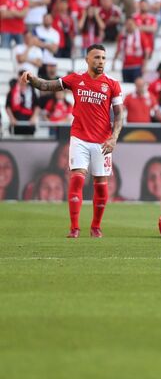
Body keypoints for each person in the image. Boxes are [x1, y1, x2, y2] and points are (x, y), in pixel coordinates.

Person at [21, 44, 125, 237]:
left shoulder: (112, 84)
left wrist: (114, 137)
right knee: (76, 180)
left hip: (103, 142)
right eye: (96, 57)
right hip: (79, 138)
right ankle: (74, 228)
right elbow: (46, 85)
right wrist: (32, 78)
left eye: (103, 58)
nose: (100, 61)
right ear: (87, 59)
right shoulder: (76, 79)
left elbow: (119, 115)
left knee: (101, 185)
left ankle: (95, 227)